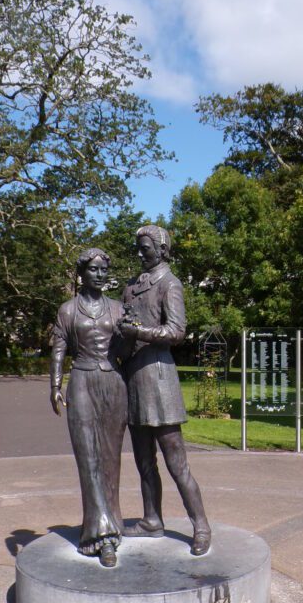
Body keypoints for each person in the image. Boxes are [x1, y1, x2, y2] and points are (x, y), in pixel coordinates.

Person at [118, 224, 212, 556]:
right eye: (138, 247)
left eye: (146, 248)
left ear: (162, 250)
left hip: (159, 378)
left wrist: (139, 330)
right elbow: (123, 327)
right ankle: (151, 520)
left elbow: (177, 331)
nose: (141, 253)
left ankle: (200, 525)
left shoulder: (169, 284)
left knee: (177, 463)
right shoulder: (131, 287)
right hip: (134, 379)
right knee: (144, 460)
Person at [49, 248, 128, 567]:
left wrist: (132, 331)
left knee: (110, 461)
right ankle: (100, 537)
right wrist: (54, 385)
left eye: (103, 269)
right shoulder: (68, 310)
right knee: (89, 459)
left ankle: (113, 524)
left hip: (113, 384)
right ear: (82, 273)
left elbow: (127, 348)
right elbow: (58, 349)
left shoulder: (119, 309)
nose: (100, 274)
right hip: (81, 382)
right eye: (94, 269)